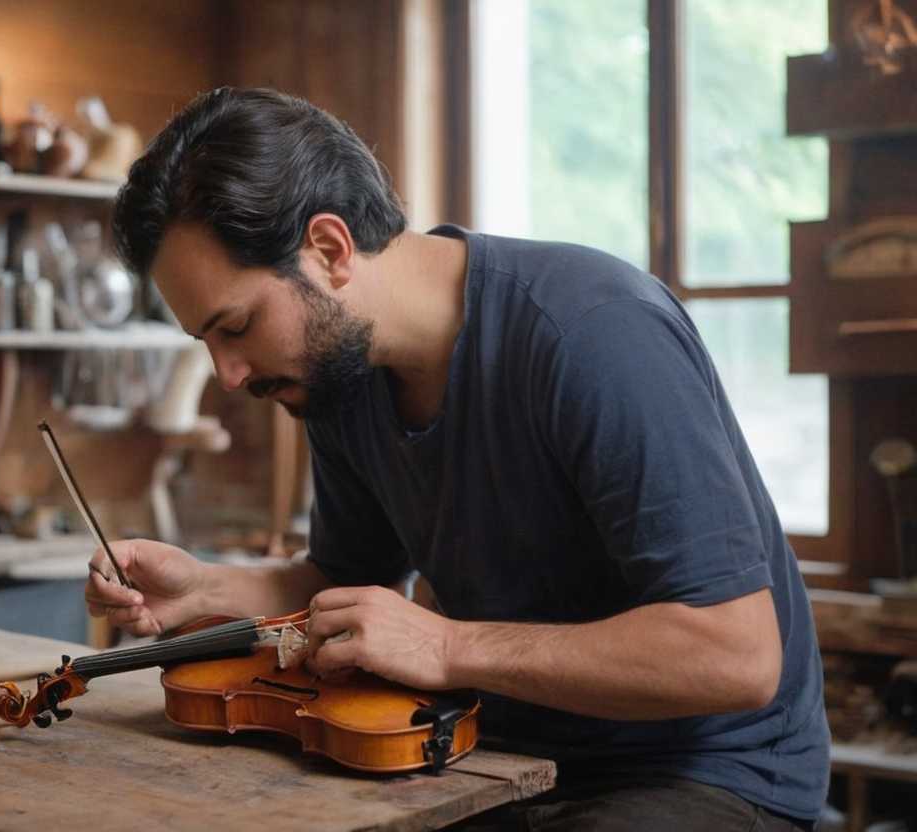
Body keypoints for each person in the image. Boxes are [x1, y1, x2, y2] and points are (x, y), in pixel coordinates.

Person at [87, 87, 829, 830]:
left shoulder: (592, 334)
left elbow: (735, 655)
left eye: (238, 325)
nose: (229, 375)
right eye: (207, 342)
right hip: (494, 748)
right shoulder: (338, 377)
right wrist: (208, 588)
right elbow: (347, 585)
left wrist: (447, 646)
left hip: (709, 774)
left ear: (329, 250)